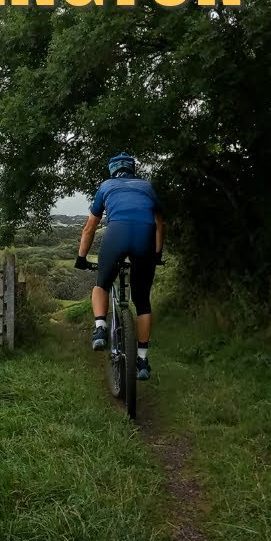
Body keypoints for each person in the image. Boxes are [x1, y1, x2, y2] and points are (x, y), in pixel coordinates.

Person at [75, 153, 164, 380]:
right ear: (133, 170)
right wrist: (157, 254)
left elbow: (89, 227)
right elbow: (159, 224)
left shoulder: (106, 186)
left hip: (117, 234)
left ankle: (100, 328)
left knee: (101, 285)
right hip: (144, 238)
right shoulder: (146, 187)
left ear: (112, 170)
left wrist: (81, 257)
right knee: (142, 301)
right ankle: (142, 360)